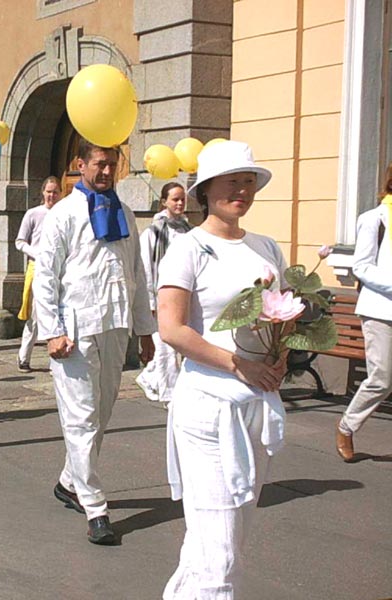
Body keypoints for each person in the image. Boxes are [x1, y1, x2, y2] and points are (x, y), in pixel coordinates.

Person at [157, 141, 287, 599]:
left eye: (249, 181)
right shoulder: (188, 249)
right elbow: (172, 328)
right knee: (221, 557)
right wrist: (238, 364)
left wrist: (280, 358)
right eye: (232, 181)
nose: (242, 190)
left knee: (217, 542)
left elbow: (283, 315)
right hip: (208, 411)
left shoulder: (266, 247)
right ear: (207, 189)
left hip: (256, 406)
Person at [32, 139, 156, 545]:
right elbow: (45, 277)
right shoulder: (64, 214)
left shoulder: (125, 213)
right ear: (80, 165)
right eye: (99, 164)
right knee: (82, 419)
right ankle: (95, 508)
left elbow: (137, 273)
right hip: (75, 333)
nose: (106, 171)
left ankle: (70, 481)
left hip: (115, 327)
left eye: (112, 164)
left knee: (100, 414)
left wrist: (145, 330)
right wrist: (52, 331)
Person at [336, 162, 392, 461]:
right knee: (381, 379)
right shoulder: (374, 219)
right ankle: (347, 426)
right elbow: (361, 266)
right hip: (381, 310)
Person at [135, 182, 192, 405]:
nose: (179, 203)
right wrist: (150, 300)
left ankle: (149, 377)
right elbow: (145, 268)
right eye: (175, 199)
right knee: (165, 346)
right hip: (162, 297)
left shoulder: (189, 231)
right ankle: (170, 396)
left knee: (180, 344)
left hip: (184, 297)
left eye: (182, 199)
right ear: (164, 202)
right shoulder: (154, 232)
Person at [15, 176, 61, 372]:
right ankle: (24, 357)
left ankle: (56, 362)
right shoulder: (33, 214)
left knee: (59, 315)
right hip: (38, 268)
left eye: (55, 192)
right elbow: (20, 242)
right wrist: (37, 253)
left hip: (59, 270)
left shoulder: (64, 213)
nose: (52, 195)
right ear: (43, 192)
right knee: (35, 315)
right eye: (49, 191)